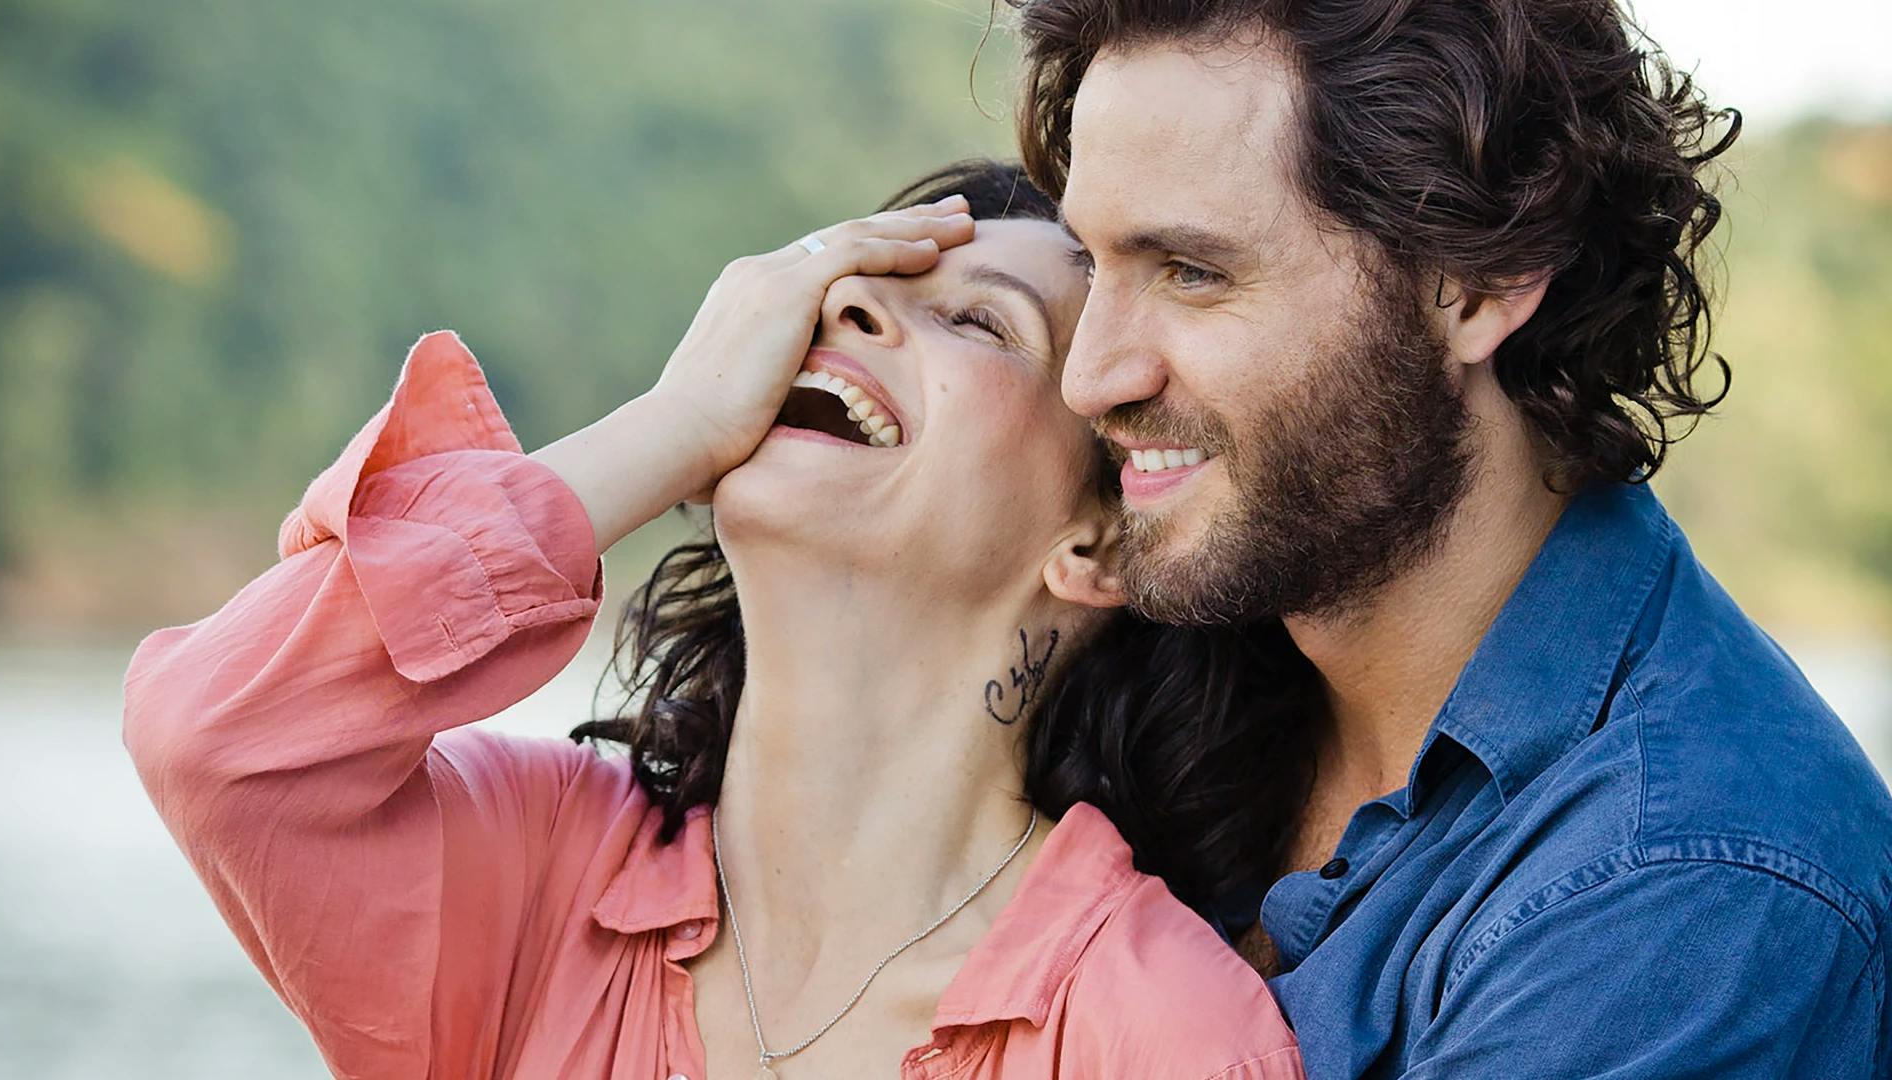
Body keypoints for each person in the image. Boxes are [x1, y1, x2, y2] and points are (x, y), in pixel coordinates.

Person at [122, 160, 1310, 1079]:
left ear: (1100, 540)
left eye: (984, 322)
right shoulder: (540, 879)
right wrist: (675, 420)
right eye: (839, 291)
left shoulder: (1159, 1031)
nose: (845, 316)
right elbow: (216, 742)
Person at [1004, 0, 1892, 1076]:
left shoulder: (1679, 886)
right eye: (1091, 266)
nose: (1091, 375)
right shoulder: (1197, 648)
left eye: (1190, 272)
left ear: (1483, 278)